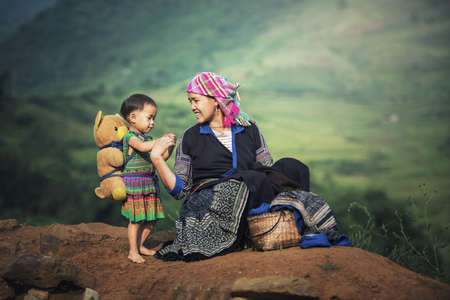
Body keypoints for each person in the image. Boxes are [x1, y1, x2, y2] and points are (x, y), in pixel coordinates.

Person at [150, 72, 310, 261]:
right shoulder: (190, 137)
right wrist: (157, 159)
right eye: (190, 102)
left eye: (196, 100)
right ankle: (245, 233)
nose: (192, 107)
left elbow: (268, 171)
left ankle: (282, 225)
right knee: (240, 183)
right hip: (212, 200)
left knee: (291, 167)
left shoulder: (249, 128)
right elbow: (180, 190)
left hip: (251, 191)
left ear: (216, 100)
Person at [119, 93, 176, 263]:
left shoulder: (148, 139)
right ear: (133, 117)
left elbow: (161, 157)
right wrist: (161, 140)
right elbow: (142, 147)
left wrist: (169, 146)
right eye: (149, 118)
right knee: (136, 219)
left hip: (149, 183)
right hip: (135, 184)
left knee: (151, 219)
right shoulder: (130, 138)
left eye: (154, 118)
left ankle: (141, 245)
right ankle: (132, 251)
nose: (153, 122)